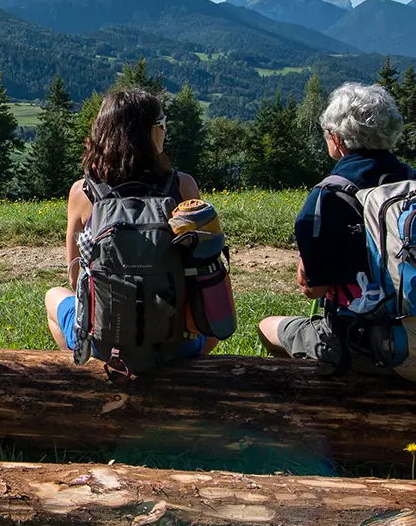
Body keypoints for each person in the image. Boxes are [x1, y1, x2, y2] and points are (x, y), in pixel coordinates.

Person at [44, 88, 216, 364]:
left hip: (105, 343)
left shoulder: (83, 192)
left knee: (53, 296)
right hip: (177, 345)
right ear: (150, 133)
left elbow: (75, 278)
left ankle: (89, 369)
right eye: (162, 124)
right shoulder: (183, 186)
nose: (166, 130)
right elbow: (203, 272)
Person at [258, 82, 413, 369]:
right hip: (410, 331)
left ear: (337, 139)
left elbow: (314, 290)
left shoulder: (329, 195)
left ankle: (316, 392)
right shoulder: (410, 181)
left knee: (267, 327)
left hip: (359, 340)